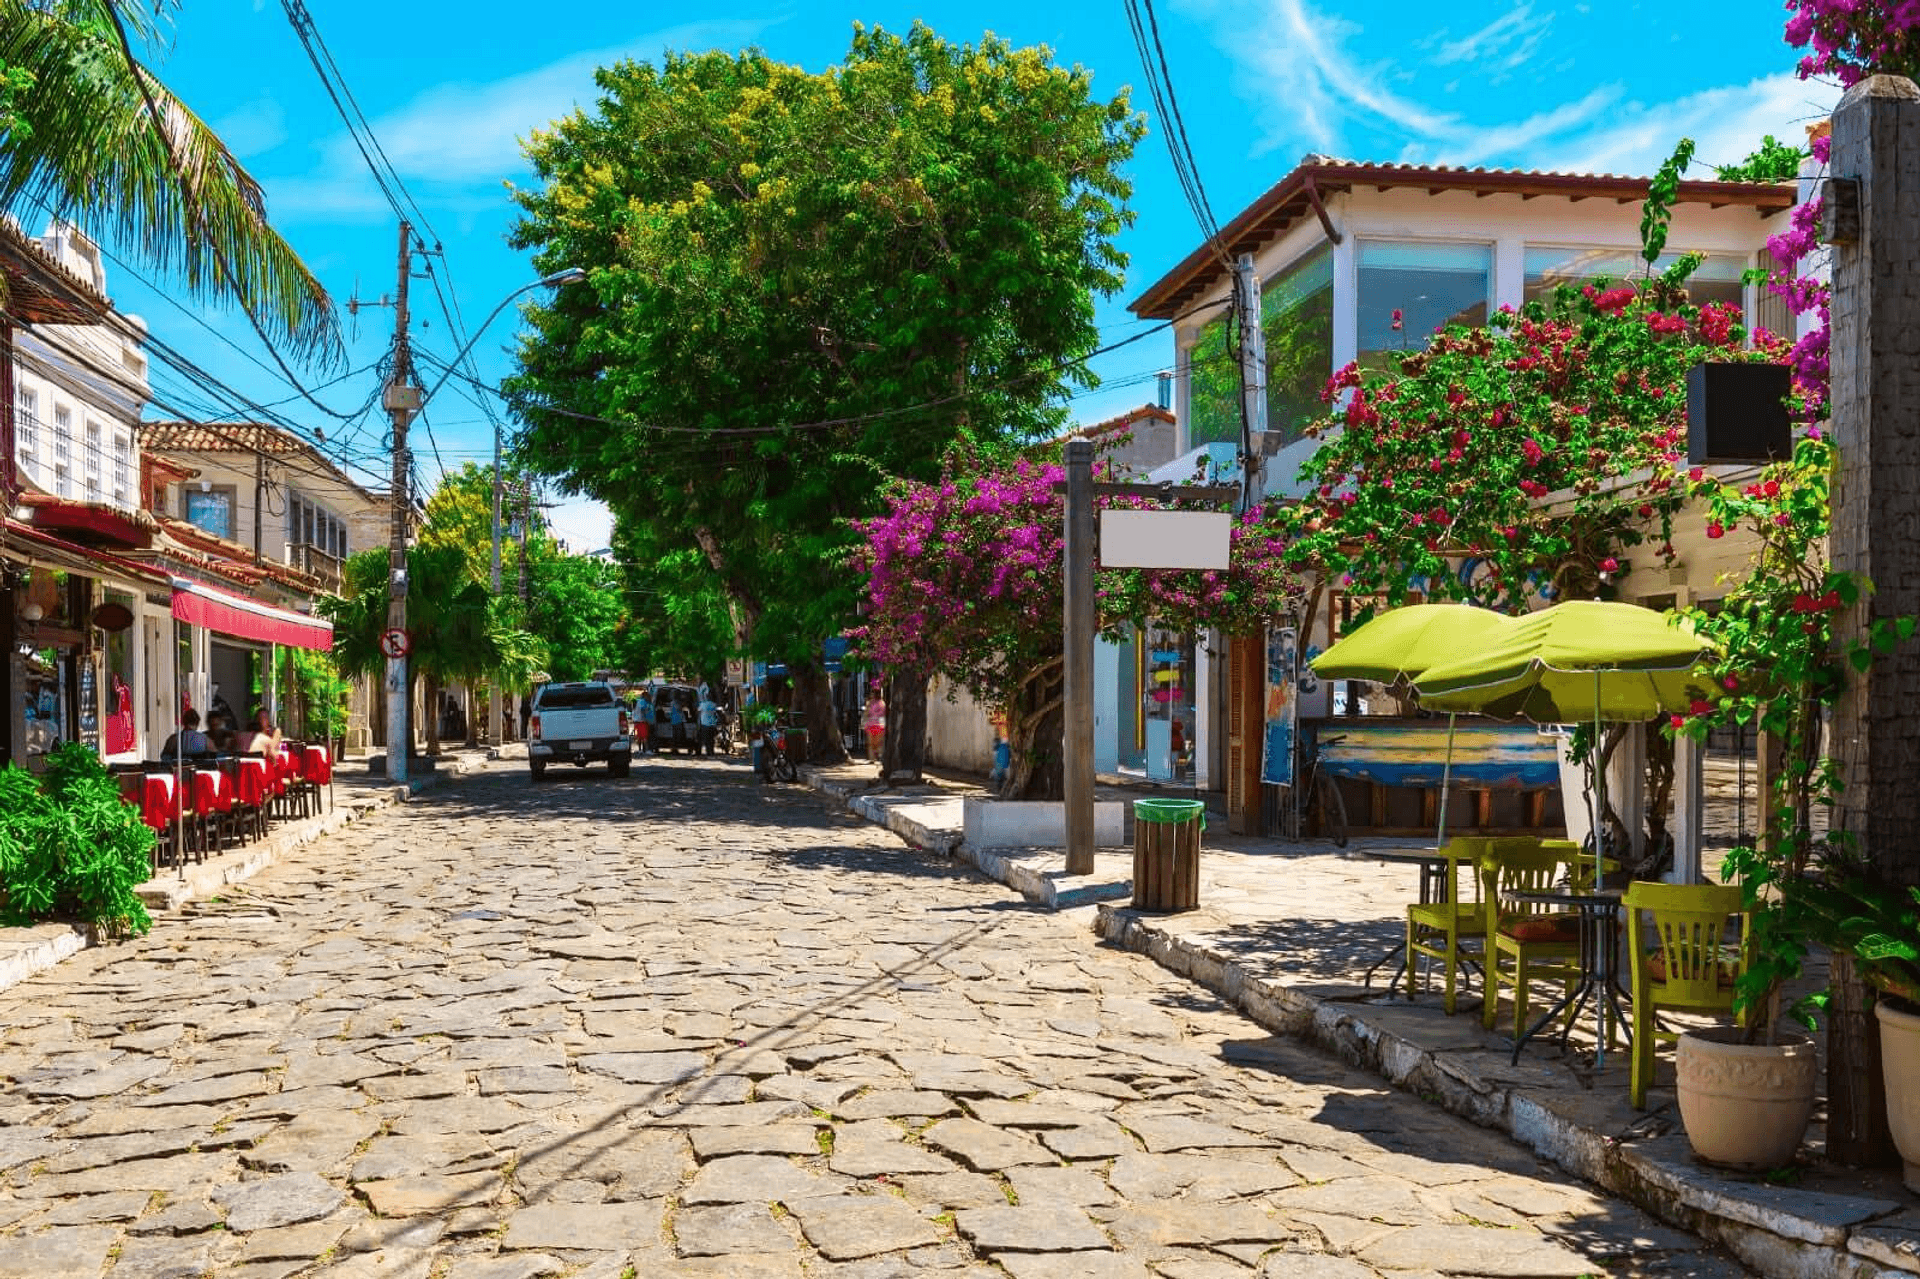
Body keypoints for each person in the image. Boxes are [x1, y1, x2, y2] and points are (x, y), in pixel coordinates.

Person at [863, 692, 887, 763]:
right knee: (879, 742)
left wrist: (864, 723)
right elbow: (883, 714)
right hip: (880, 725)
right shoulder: (882, 703)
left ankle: (872, 758)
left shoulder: (869, 703)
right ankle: (879, 756)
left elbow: (866, 714)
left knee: (871, 743)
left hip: (870, 725)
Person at [696, 691, 719, 756]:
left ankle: (707, 751)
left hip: (704, 724)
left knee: (706, 739)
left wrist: (698, 723)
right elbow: (716, 713)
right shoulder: (714, 704)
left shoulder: (702, 704)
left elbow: (698, 712)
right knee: (711, 739)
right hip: (712, 724)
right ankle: (711, 751)